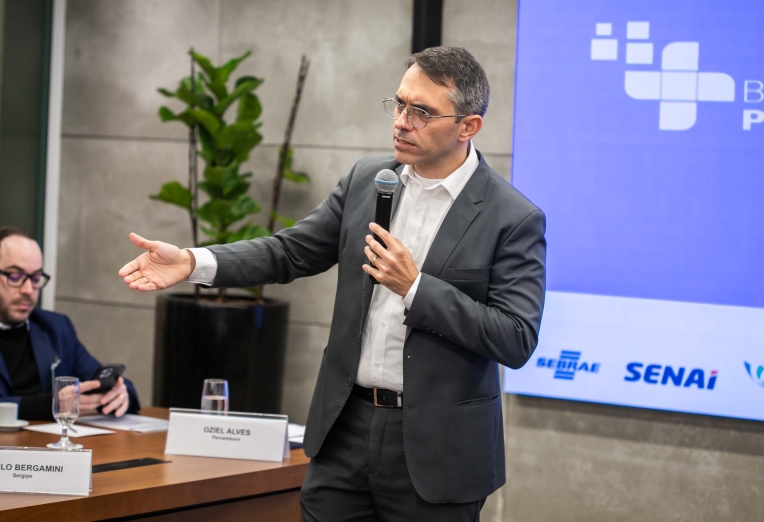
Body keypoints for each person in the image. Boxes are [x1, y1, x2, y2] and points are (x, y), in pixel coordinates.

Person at [120, 46, 546, 521]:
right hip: (345, 427)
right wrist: (194, 262)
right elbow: (289, 251)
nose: (402, 122)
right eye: (400, 104)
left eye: (422, 112)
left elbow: (516, 337)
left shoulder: (512, 217)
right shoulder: (369, 180)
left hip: (437, 449)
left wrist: (416, 288)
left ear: (468, 126)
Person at [0, 227, 140, 427]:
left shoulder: (55, 328)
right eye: (14, 276)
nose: (28, 290)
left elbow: (96, 379)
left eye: (36, 278)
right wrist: (47, 405)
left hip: (52, 450)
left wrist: (120, 393)